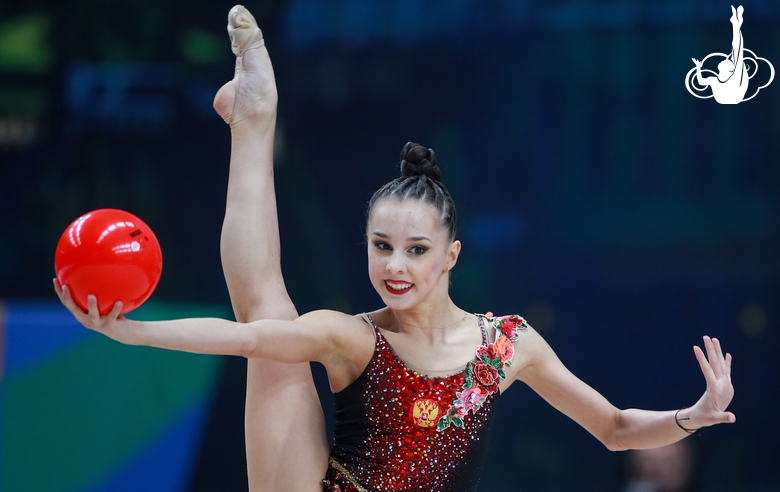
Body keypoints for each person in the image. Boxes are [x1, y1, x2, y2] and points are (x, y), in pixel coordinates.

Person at [54, 5, 736, 492]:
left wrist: (694, 416)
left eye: (415, 250)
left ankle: (255, 116)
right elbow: (245, 338)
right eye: (381, 246)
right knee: (267, 315)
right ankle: (255, 116)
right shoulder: (353, 338)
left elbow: (616, 428)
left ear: (451, 256)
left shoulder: (507, 345)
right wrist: (133, 333)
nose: (394, 266)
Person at [692, 5, 748, 104]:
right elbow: (701, 82)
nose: (725, 59)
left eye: (727, 61)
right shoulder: (714, 80)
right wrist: (698, 67)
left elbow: (738, 49)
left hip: (733, 96)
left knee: (737, 51)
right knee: (737, 51)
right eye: (728, 60)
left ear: (729, 69)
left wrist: (736, 26)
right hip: (728, 97)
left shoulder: (734, 78)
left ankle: (736, 23)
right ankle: (736, 24)